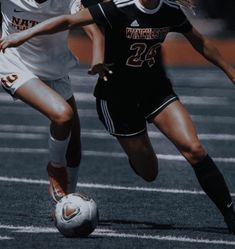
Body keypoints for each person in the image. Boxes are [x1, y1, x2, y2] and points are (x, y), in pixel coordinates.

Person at [1, 0, 235, 234]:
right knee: (149, 172)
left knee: (195, 150)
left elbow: (200, 42)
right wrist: (23, 35)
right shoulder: (118, 6)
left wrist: (231, 71)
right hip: (118, 100)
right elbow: (69, 21)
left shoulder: (169, 10)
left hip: (155, 91)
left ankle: (230, 216)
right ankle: (123, 154)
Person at [0, 0, 105, 202]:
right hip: (14, 65)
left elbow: (95, 33)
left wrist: (98, 59)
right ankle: (55, 169)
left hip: (54, 70)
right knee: (63, 115)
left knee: (73, 148)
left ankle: (67, 200)